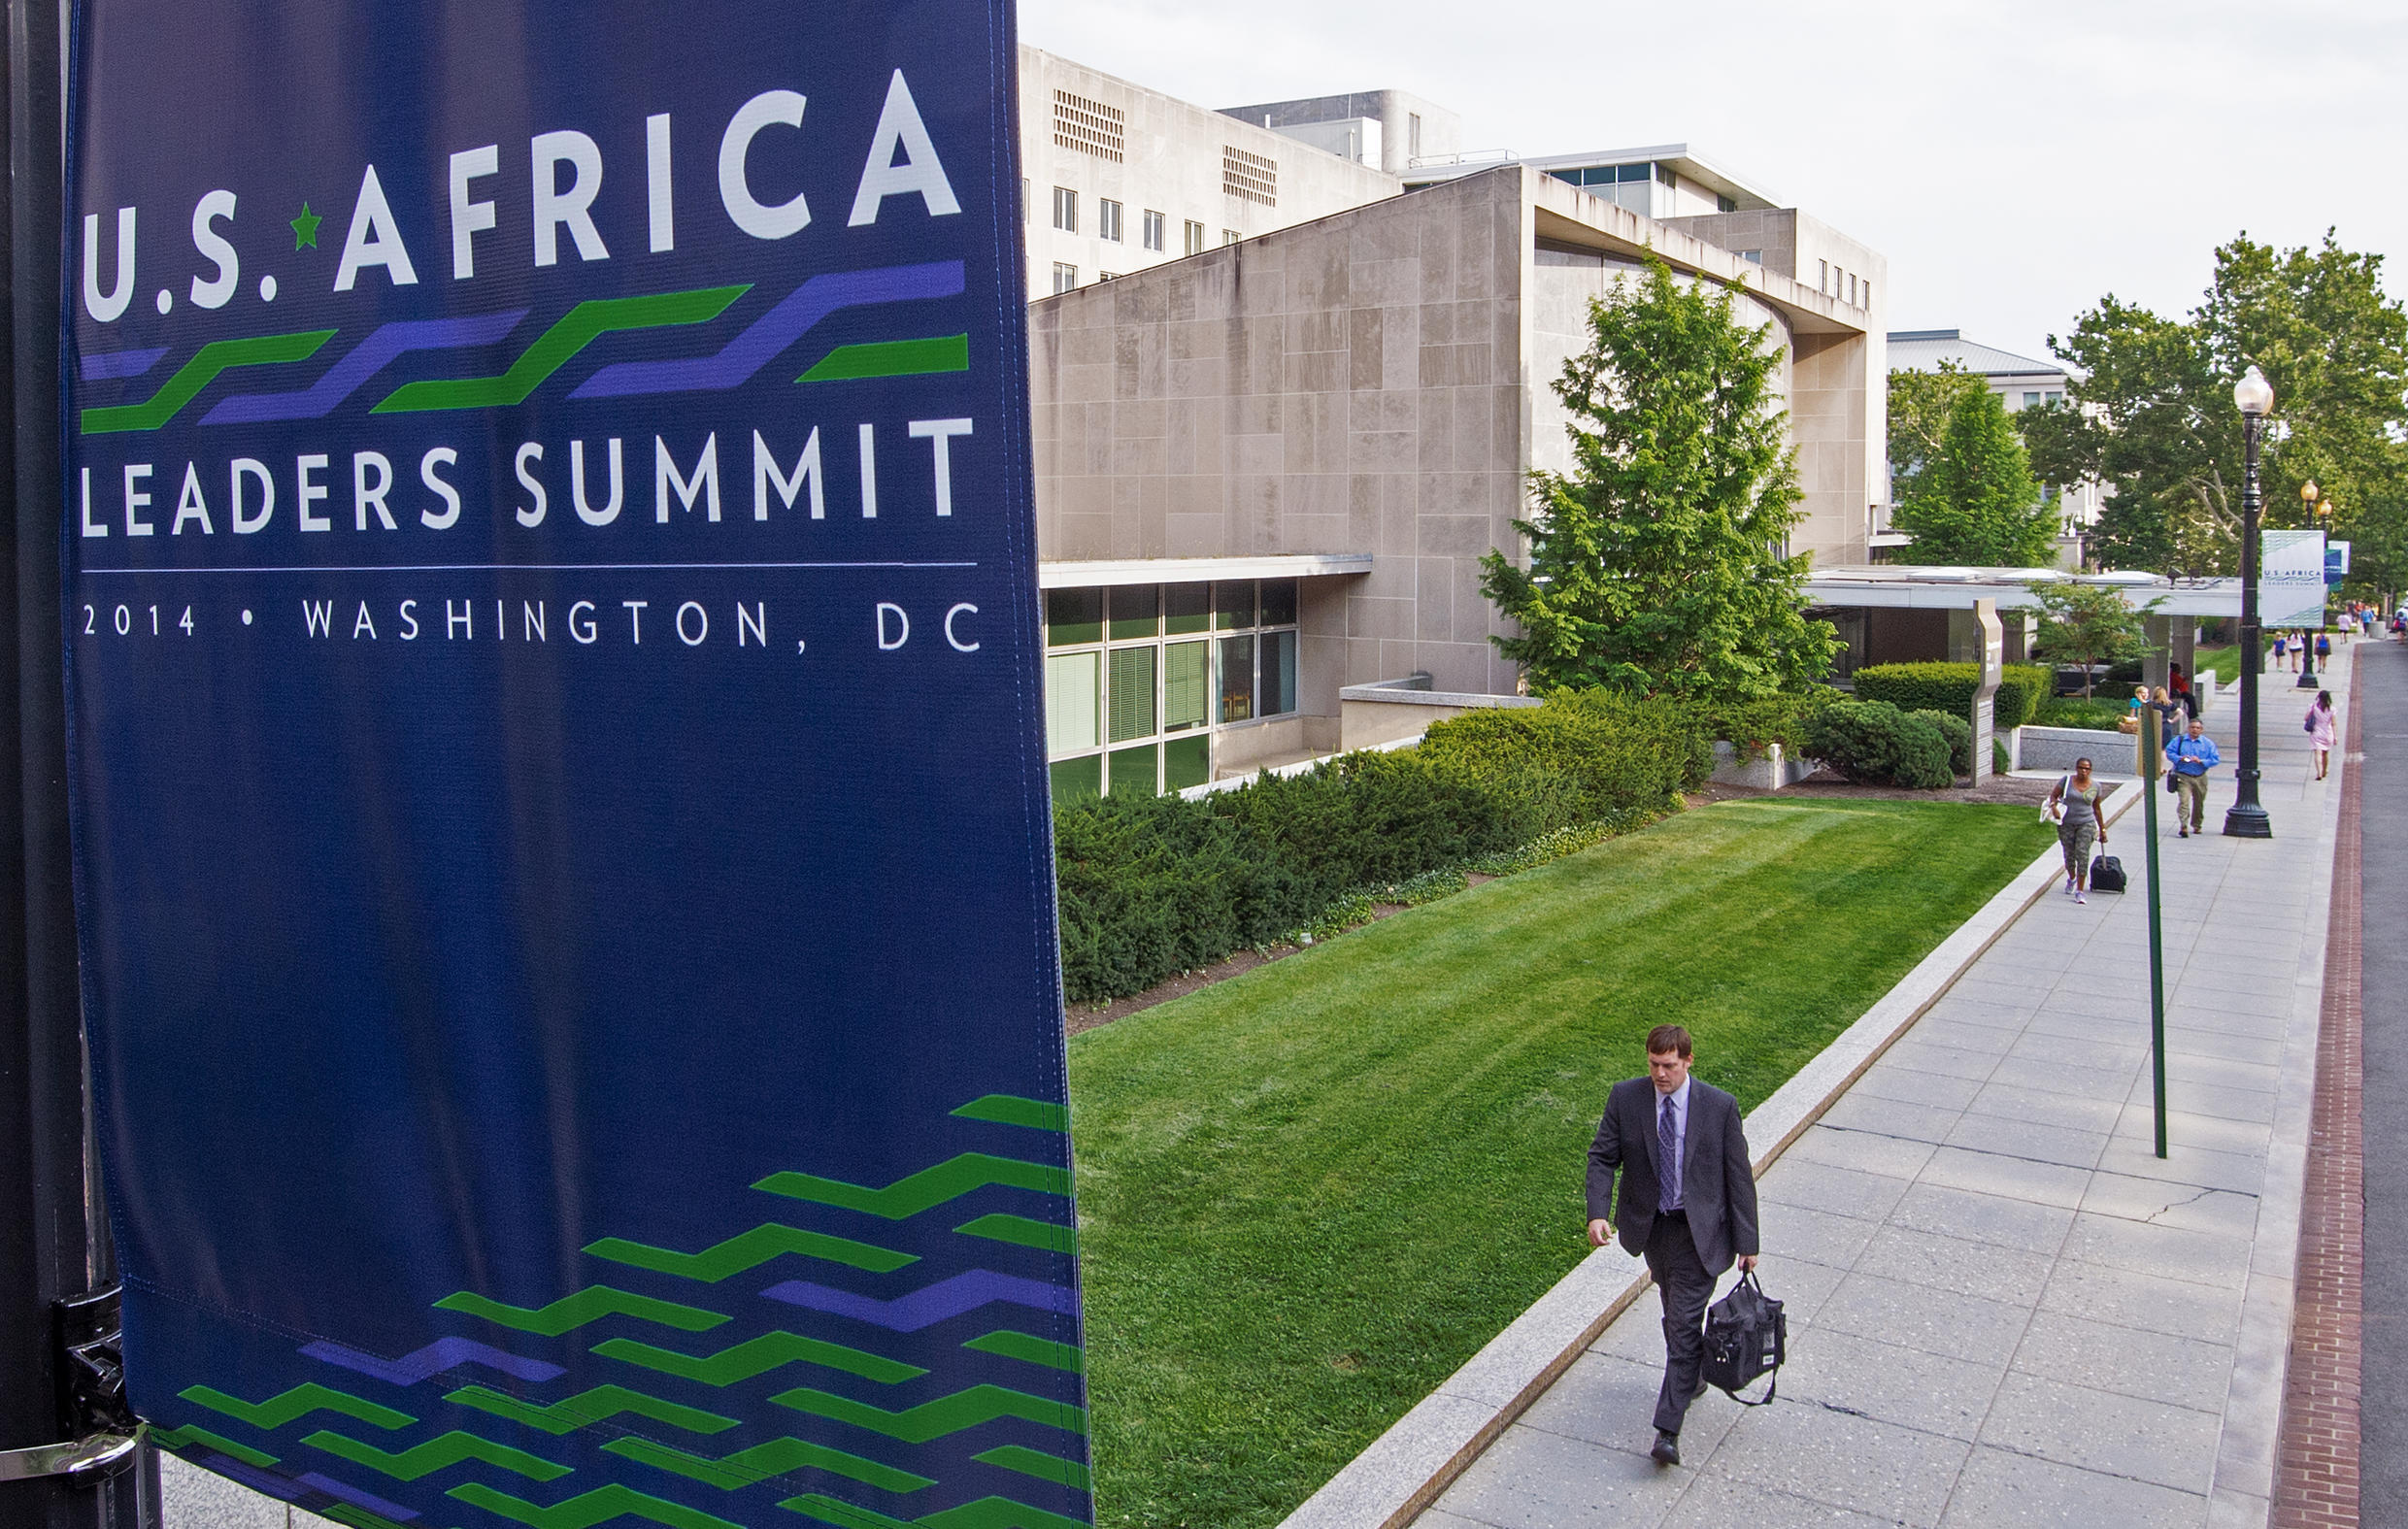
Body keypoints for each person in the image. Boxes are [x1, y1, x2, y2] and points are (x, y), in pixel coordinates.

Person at [1586, 1024, 1759, 1468]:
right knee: (1673, 1310)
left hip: (1701, 1234)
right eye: (1653, 1065)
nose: (1660, 1074)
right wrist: (1597, 1212)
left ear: (1688, 1061)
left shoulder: (1719, 1107)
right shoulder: (1626, 1098)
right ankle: (1693, 1374)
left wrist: (1748, 1242)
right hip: (1653, 1230)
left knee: (1682, 1322)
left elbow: (1739, 1177)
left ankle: (1668, 1430)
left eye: (1668, 1065)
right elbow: (1602, 1157)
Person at [2047, 758, 2109, 902]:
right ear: (2076, 768)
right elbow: (2054, 796)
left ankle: (2080, 891)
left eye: (2087, 769)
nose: (2083, 771)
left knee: (2082, 854)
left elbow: (2097, 808)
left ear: (2090, 770)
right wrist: (2054, 807)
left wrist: (2102, 829)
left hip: (2086, 823)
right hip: (2066, 823)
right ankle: (2072, 878)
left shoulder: (2096, 786)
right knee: (2069, 855)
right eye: (2081, 768)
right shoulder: (2067, 781)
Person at [2166, 716, 2222, 837]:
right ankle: (2183, 825)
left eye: (2197, 728)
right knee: (2184, 801)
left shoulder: (2207, 744)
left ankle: (2197, 824)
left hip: (2200, 776)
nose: (2195, 730)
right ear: (2188, 728)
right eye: (2192, 727)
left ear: (2201, 730)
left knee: (2199, 802)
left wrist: (2201, 761)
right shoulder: (2179, 740)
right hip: (2183, 776)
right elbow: (2169, 752)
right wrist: (2179, 758)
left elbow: (2215, 759)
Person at [2307, 690, 2337, 781]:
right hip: (2328, 733)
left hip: (2316, 732)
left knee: (2318, 753)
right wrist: (2335, 736)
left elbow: (2306, 718)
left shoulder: (2314, 707)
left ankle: (2319, 772)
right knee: (2325, 753)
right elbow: (2333, 724)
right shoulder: (2332, 709)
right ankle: (2324, 771)